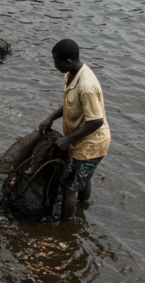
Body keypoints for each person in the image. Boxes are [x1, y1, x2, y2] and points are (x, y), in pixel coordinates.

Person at [37, 39, 111, 220]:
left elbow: (96, 121)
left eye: (56, 62)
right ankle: (83, 209)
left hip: (91, 145)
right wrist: (50, 118)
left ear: (68, 62)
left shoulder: (86, 86)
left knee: (70, 187)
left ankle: (66, 228)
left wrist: (67, 140)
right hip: (82, 141)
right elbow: (70, 104)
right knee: (82, 179)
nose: (54, 65)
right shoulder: (71, 75)